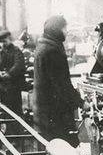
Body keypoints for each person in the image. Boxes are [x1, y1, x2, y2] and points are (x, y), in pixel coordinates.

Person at [33, 15, 82, 147]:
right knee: (65, 149)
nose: (67, 31)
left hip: (44, 112)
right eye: (64, 28)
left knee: (52, 149)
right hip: (55, 114)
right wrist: (81, 102)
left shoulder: (43, 46)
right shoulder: (52, 50)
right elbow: (62, 85)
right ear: (56, 29)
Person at [0, 30, 25, 114]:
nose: (3, 44)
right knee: (4, 109)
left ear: (9, 39)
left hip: (14, 85)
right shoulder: (0, 53)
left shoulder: (16, 51)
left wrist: (9, 74)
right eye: (0, 42)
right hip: (3, 87)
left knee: (15, 110)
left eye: (4, 41)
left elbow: (18, 65)